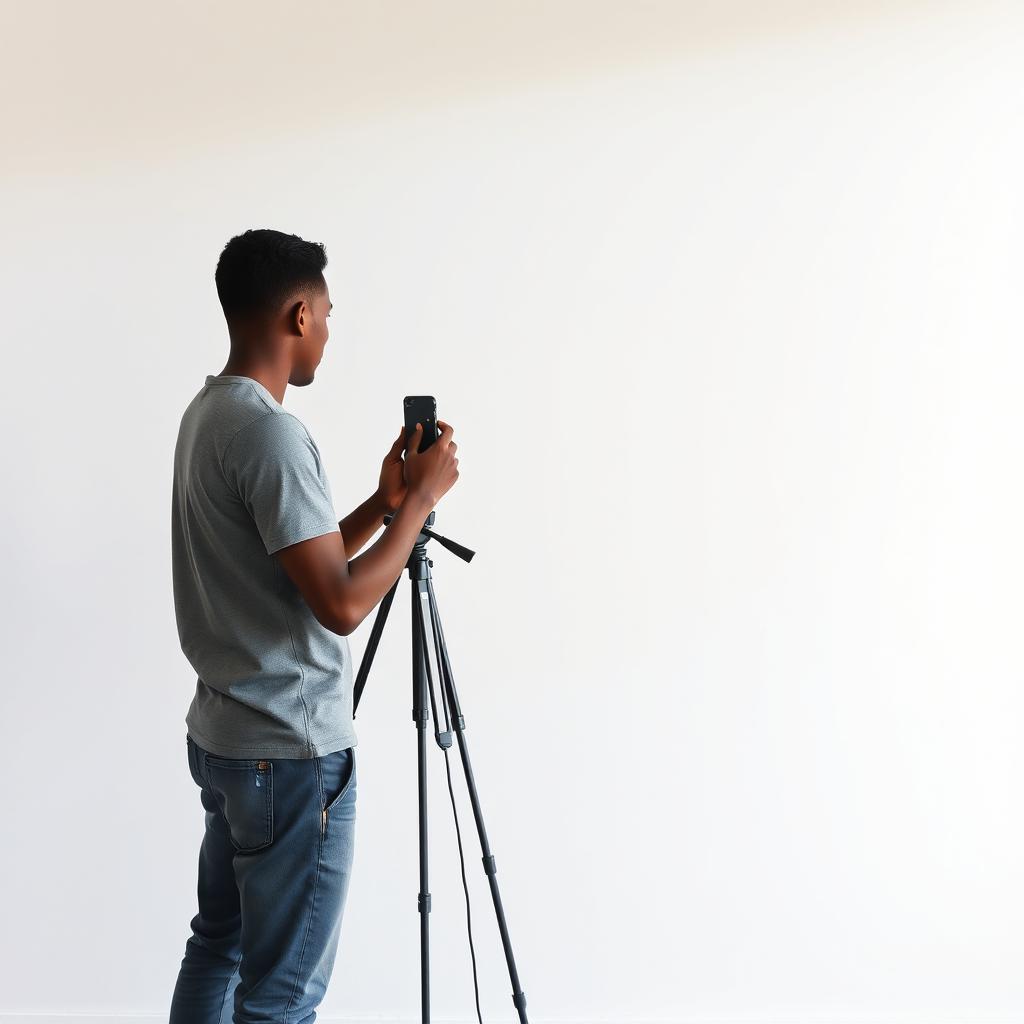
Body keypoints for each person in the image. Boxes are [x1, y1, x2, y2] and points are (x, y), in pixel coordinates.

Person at [168, 228, 459, 1023]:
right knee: (281, 995)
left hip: (229, 741)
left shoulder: (210, 415)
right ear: (298, 314)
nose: (328, 329)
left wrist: (386, 505)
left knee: (218, 946)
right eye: (327, 313)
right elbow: (339, 602)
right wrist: (424, 505)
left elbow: (300, 560)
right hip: (287, 756)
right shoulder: (272, 432)